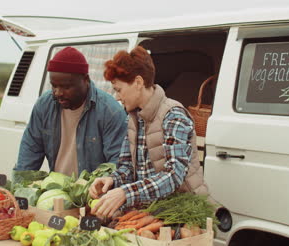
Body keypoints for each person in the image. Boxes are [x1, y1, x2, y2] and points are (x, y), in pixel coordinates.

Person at [89, 46, 209, 218]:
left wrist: (126, 193)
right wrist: (113, 180)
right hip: (150, 211)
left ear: (138, 83)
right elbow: (127, 167)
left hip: (183, 211)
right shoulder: (131, 118)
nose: (117, 97)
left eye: (118, 89)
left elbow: (173, 175)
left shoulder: (174, 116)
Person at [14, 47, 127, 177]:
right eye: (54, 86)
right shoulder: (44, 105)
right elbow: (29, 154)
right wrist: (19, 189)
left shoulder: (110, 111)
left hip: (95, 193)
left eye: (66, 87)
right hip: (56, 191)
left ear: (86, 80)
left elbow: (117, 165)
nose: (58, 93)